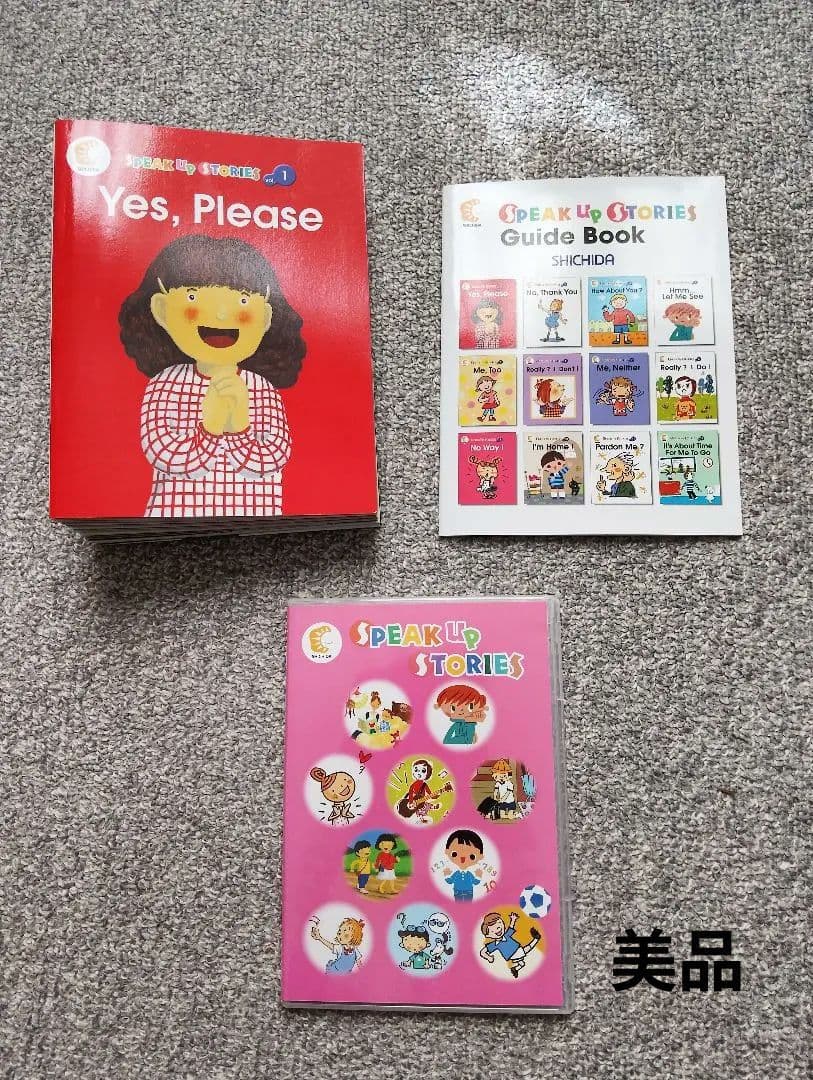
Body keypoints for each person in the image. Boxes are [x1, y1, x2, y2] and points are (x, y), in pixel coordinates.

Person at [119, 235, 306, 517]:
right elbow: (163, 454)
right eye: (193, 295)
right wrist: (210, 427)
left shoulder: (262, 388)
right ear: (162, 310)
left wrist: (240, 428)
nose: (220, 314)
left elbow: (275, 457)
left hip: (255, 517)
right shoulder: (165, 385)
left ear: (265, 319)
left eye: (243, 300)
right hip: (178, 516)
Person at [480, 911, 541, 978]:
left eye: (499, 925)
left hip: (517, 951)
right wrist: (489, 958)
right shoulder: (494, 944)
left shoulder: (506, 935)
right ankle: (536, 938)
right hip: (515, 953)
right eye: (492, 931)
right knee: (527, 948)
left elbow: (511, 928)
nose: (498, 930)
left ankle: (515, 969)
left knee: (522, 963)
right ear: (488, 936)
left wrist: (513, 919)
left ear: (503, 924)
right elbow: (482, 952)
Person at [443, 830, 485, 901]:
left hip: (469, 892)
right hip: (457, 892)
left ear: (480, 856)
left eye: (472, 856)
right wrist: (446, 874)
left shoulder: (469, 874)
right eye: (454, 854)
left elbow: (475, 882)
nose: (463, 858)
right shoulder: (456, 874)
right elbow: (450, 881)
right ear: (447, 851)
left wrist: (479, 875)